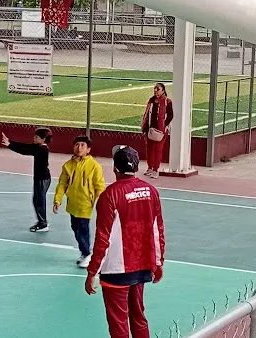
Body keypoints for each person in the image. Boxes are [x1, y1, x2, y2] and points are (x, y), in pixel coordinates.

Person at [86, 145, 165, 338]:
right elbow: (158, 231)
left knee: (118, 323)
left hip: (116, 272)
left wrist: (92, 272)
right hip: (142, 268)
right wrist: (158, 263)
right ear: (137, 167)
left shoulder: (109, 196)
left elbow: (102, 239)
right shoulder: (151, 191)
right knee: (138, 317)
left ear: (115, 168)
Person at [53, 136, 106, 268]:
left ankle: (88, 254)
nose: (79, 148)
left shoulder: (94, 166)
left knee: (83, 230)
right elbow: (62, 184)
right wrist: (57, 200)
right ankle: (84, 251)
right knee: (75, 229)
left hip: (85, 204)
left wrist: (100, 202)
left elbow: (99, 186)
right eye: (77, 145)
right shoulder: (68, 166)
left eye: (83, 145)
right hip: (72, 204)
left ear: (88, 149)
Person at [2, 128, 53, 232]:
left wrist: (9, 145)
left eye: (37, 137)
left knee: (39, 201)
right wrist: (10, 141)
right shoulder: (38, 146)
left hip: (42, 179)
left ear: (43, 139)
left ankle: (43, 224)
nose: (34, 138)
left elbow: (24, 151)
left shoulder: (42, 149)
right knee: (37, 200)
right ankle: (42, 221)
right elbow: (25, 146)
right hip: (41, 179)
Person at [140, 83, 173, 178]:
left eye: (158, 89)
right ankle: (150, 167)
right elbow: (146, 113)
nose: (155, 91)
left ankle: (155, 169)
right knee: (149, 149)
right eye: (155, 89)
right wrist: (145, 126)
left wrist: (164, 126)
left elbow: (170, 116)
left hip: (161, 131)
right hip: (150, 129)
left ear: (163, 90)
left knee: (158, 150)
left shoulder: (167, 101)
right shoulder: (151, 100)